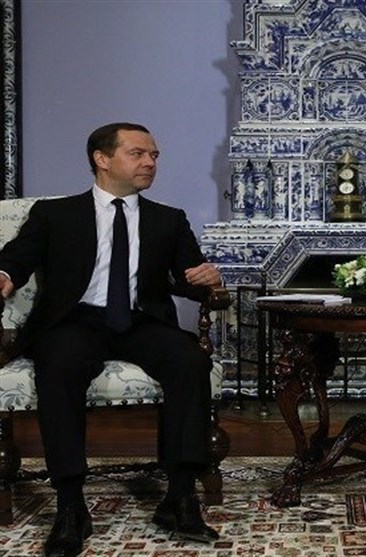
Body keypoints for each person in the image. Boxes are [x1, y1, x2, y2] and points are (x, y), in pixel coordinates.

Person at [0, 122, 223, 556]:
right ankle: (70, 505)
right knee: (60, 364)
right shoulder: (55, 214)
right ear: (102, 159)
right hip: (74, 320)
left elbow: (189, 277)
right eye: (138, 153)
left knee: (190, 360)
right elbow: (16, 259)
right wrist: (5, 275)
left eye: (154, 155)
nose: (150, 162)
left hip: (141, 321)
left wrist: (207, 278)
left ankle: (179, 497)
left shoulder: (168, 219)